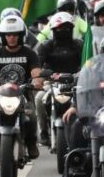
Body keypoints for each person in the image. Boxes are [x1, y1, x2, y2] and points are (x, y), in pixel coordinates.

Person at [0, 16, 43, 159]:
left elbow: (36, 73)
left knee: (32, 116)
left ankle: (31, 144)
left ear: (21, 36)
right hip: (0, 94)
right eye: (8, 35)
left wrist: (37, 81)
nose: (11, 38)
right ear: (3, 36)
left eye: (15, 35)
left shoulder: (29, 53)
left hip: (23, 94)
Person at [35, 12, 83, 144]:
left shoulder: (79, 45)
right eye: (60, 28)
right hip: (51, 82)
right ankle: (43, 131)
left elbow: (87, 64)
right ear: (54, 30)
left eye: (66, 28)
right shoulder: (45, 46)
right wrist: (46, 74)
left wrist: (80, 74)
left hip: (75, 82)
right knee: (39, 98)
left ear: (72, 29)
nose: (63, 31)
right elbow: (37, 67)